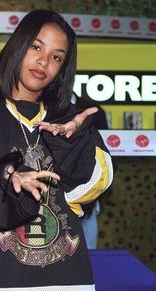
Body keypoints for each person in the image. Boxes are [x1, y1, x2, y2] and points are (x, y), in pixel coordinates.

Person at [0, 10, 113, 291]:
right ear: (18, 45)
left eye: (56, 57)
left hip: (67, 279)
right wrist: (5, 182)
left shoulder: (68, 117)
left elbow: (91, 190)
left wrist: (72, 142)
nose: (44, 62)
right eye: (36, 47)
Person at [71, 93, 109, 249]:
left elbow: (105, 154)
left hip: (88, 193)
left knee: (90, 255)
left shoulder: (93, 110)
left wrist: (97, 196)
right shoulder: (41, 105)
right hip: (52, 193)